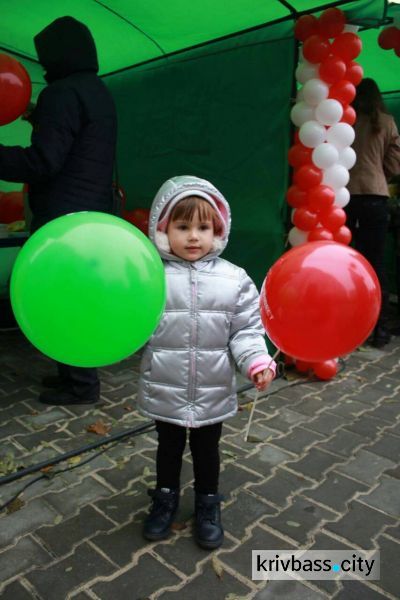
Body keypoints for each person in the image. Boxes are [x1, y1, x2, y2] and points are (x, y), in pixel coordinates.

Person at [137, 175, 277, 549]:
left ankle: (207, 503)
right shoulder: (148, 277)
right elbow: (131, 324)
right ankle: (165, 498)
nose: (194, 237)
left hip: (212, 389)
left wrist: (257, 362)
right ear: (163, 230)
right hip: (165, 385)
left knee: (206, 450)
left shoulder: (234, 280)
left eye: (204, 227)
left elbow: (246, 330)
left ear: (219, 230)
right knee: (167, 448)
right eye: (183, 227)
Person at [0, 17, 117, 405]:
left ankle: (81, 385)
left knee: (65, 298)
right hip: (93, 212)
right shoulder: (98, 91)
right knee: (78, 295)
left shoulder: (61, 93)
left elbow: (42, 162)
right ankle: (72, 374)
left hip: (63, 217)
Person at [347, 78, 400, 348]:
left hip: (345, 196)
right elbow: (396, 165)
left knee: (347, 262)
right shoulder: (387, 122)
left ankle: (350, 323)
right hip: (375, 197)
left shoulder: (348, 119)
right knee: (375, 262)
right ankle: (379, 330)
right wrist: (379, 177)